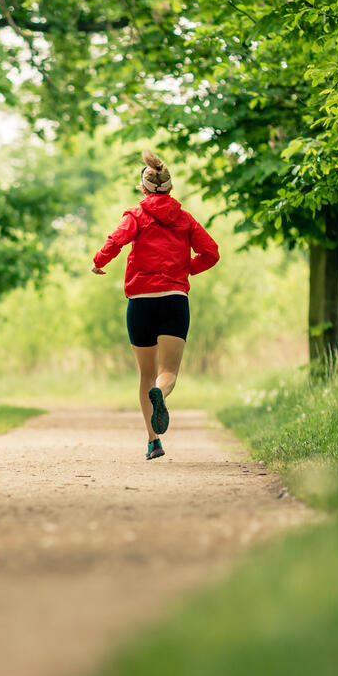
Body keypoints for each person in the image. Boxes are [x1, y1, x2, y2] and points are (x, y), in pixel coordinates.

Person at [92, 151, 219, 460]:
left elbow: (115, 241)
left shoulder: (136, 215)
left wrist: (99, 262)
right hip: (175, 300)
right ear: (170, 189)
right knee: (167, 373)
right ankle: (160, 395)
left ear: (144, 188)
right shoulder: (185, 219)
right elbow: (211, 252)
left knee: (145, 374)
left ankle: (153, 441)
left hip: (141, 303)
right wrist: (185, 268)